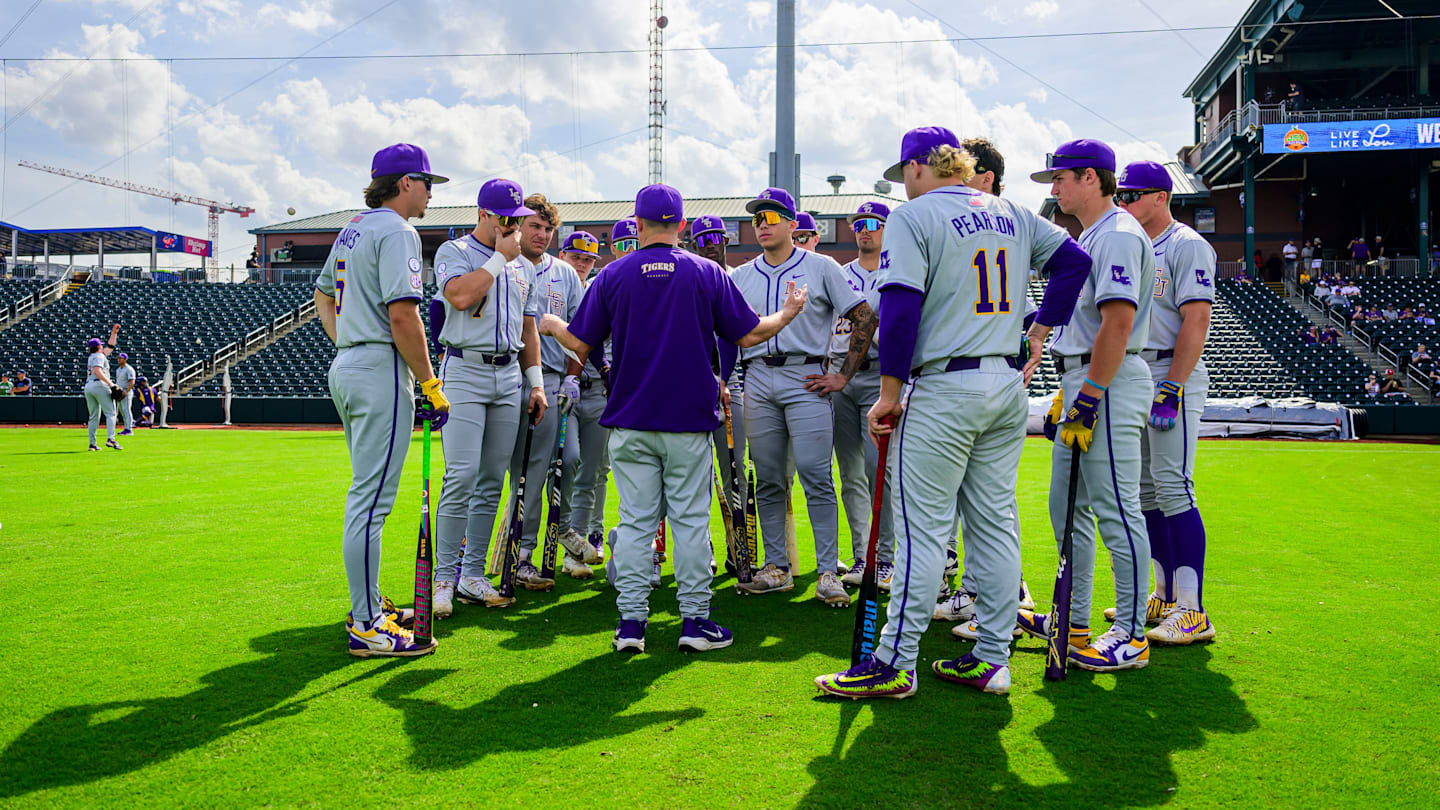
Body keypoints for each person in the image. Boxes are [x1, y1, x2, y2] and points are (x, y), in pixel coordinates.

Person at [813, 126, 1091, 699]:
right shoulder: (1010, 209)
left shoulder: (914, 217)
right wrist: (1039, 330)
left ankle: (893, 663)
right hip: (1005, 384)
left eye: (903, 173)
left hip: (945, 386)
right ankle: (992, 657)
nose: (903, 185)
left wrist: (888, 393)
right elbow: (1074, 263)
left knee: (921, 531)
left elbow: (901, 306)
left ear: (919, 167)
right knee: (993, 525)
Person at [539, 182, 808, 654]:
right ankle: (694, 621)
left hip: (631, 419)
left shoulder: (613, 274)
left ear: (638, 224)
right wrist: (787, 313)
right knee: (688, 522)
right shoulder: (706, 271)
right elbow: (748, 335)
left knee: (638, 523)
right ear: (681, 225)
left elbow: (580, 344)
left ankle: (631, 625)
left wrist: (550, 324)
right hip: (688, 420)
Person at [313, 142, 450, 658]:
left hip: (350, 363)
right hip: (378, 367)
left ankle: (366, 605)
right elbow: (403, 317)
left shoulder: (353, 227)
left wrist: (349, 339)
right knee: (370, 503)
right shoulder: (397, 230)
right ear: (405, 182)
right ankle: (367, 624)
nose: (431, 192)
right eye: (428, 182)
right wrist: (432, 383)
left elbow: (324, 294)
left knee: (365, 497)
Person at [1027, 138, 1157, 673]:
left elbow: (1118, 324)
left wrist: (1090, 395)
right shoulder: (1094, 234)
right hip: (1082, 376)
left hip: (1108, 379)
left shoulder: (1120, 233)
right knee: (1068, 507)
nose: (1053, 189)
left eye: (1059, 178)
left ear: (1089, 178)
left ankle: (1130, 633)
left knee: (1116, 509)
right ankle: (1073, 619)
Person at [728, 186, 877, 606]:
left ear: (794, 224)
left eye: (771, 217)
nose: (761, 225)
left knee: (816, 475)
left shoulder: (822, 267)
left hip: (807, 374)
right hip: (756, 375)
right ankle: (777, 566)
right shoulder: (741, 275)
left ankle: (828, 571)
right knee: (770, 477)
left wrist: (843, 376)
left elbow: (863, 315)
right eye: (757, 218)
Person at [1108, 160, 1218, 645]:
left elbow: (1197, 319)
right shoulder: (1136, 244)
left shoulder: (1187, 243)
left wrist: (1173, 384)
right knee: (1147, 490)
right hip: (1139, 368)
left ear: (1160, 197)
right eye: (1123, 195)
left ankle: (1193, 610)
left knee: (1174, 485)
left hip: (1173, 369)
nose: (1126, 203)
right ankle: (1166, 594)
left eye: (1133, 195)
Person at [428, 178, 543, 617]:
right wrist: (499, 258)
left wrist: (535, 381)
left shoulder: (524, 267)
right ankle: (443, 578)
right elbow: (458, 296)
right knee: (461, 475)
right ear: (483, 215)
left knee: (493, 478)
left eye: (516, 219)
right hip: (465, 370)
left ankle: (473, 575)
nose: (512, 227)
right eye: (504, 219)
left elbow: (529, 330)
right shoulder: (454, 252)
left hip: (508, 373)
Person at [502, 193, 594, 591]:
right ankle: (518, 553)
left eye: (548, 228)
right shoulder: (504, 264)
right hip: (509, 378)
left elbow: (581, 335)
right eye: (534, 226)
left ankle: (564, 529)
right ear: (518, 226)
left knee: (568, 460)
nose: (541, 234)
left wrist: (573, 377)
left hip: (555, 381)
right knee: (521, 473)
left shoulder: (566, 273)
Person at [831, 201, 895, 591]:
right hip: (841, 379)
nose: (864, 230)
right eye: (858, 224)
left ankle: (885, 557)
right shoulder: (840, 275)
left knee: (878, 472)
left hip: (879, 379)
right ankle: (861, 556)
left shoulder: (898, 271)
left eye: (873, 223)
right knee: (850, 474)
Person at [554, 230, 612, 568]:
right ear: (563, 255)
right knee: (567, 463)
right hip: (559, 387)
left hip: (595, 389)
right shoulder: (553, 288)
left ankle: (581, 541)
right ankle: (552, 536)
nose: (582, 264)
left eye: (589, 260)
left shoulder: (598, 290)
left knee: (594, 471)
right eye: (577, 257)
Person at [83, 326, 123, 450]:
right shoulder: (99, 357)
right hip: (99, 384)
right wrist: (111, 384)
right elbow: (97, 371)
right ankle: (111, 439)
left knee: (94, 416)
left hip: (89, 386)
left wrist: (114, 333)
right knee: (111, 413)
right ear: (99, 347)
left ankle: (92, 444)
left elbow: (110, 347)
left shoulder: (93, 356)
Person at [114, 352, 136, 436]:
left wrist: (126, 392)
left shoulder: (129, 369)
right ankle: (126, 428)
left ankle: (129, 429)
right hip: (119, 391)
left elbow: (132, 382)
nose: (119, 360)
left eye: (121, 358)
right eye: (118, 358)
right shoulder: (118, 369)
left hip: (126, 391)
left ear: (125, 359)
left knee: (126, 410)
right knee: (122, 411)